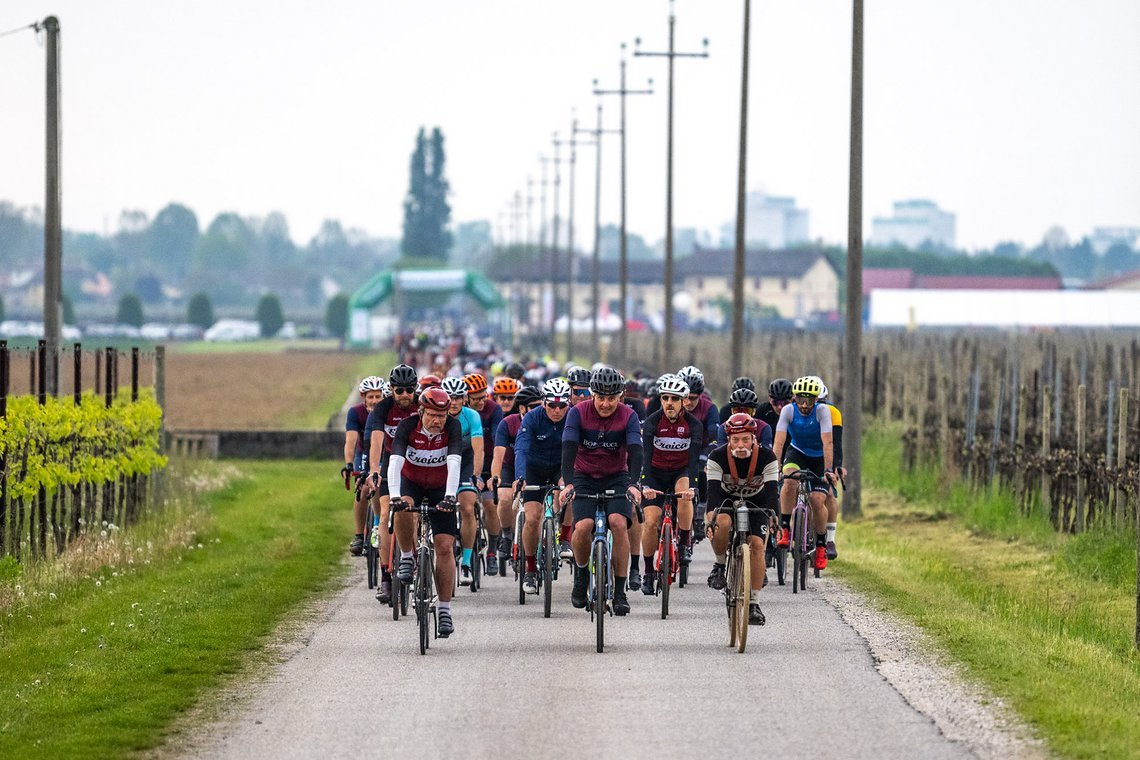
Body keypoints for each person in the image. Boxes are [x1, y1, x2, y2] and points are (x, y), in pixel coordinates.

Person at [560, 367, 643, 615]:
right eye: (601, 398)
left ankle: (619, 591)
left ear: (620, 397)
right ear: (592, 395)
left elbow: (636, 451)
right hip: (583, 476)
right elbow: (568, 448)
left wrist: (633, 484)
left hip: (617, 477)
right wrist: (569, 483)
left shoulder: (628, 415)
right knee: (583, 526)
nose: (606, 404)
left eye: (612, 399)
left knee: (618, 523)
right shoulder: (577, 413)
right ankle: (581, 576)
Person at [386, 386, 463, 638]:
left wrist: (451, 496)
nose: (436, 420)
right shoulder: (407, 427)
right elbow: (395, 462)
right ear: (421, 411)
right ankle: (407, 555)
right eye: (431, 415)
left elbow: (454, 463)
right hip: (412, 483)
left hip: (441, 486)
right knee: (404, 506)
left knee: (443, 546)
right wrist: (395, 496)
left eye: (441, 416)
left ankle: (444, 610)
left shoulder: (452, 427)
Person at [704, 413, 779, 625]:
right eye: (735, 440)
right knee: (723, 523)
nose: (740, 445)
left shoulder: (768, 457)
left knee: (756, 545)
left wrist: (775, 517)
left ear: (754, 438)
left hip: (758, 501)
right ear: (728, 440)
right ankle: (719, 565)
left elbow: (773, 493)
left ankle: (754, 603)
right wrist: (712, 521)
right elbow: (713, 495)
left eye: (746, 439)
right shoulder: (716, 457)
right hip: (726, 500)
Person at [638, 375, 702, 595]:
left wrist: (692, 487)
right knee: (650, 522)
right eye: (665, 398)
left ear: (684, 401)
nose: (669, 403)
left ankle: (684, 544)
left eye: (675, 399)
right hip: (655, 473)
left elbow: (693, 461)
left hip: (680, 471)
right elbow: (645, 458)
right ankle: (647, 572)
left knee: (684, 495)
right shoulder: (653, 422)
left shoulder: (693, 424)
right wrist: (644, 485)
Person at [364, 364, 421, 604]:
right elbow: (376, 441)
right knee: (387, 515)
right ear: (391, 390)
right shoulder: (383, 408)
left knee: (415, 515)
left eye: (409, 390)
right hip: (391, 465)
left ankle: (417, 557)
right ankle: (386, 577)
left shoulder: (423, 405)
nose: (405, 395)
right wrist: (374, 471)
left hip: (419, 464)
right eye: (399, 390)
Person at [512, 378, 572, 594]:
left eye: (562, 406)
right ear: (543, 403)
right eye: (552, 405)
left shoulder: (572, 417)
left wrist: (571, 479)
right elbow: (521, 448)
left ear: (568, 404)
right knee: (532, 518)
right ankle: (530, 569)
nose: (557, 410)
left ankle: (565, 538)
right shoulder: (532, 417)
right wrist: (520, 477)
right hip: (534, 468)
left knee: (569, 492)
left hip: (560, 467)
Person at [771, 376, 837, 572]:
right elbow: (779, 443)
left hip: (818, 457)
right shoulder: (788, 411)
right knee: (789, 481)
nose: (805, 405)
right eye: (800, 399)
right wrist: (775, 469)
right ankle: (785, 527)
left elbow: (828, 443)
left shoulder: (823, 412)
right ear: (794, 398)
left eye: (809, 400)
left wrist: (827, 470)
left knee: (817, 500)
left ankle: (820, 545)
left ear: (816, 400)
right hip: (797, 452)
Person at [489, 384, 544, 571]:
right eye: (534, 406)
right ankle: (505, 534)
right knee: (504, 498)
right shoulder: (508, 423)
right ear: (522, 408)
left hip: (534, 468)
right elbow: (498, 453)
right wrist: (495, 475)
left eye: (541, 405)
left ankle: (538, 548)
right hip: (509, 466)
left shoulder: (544, 421)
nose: (539, 410)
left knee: (536, 514)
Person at [440, 376, 485, 585]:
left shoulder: (472, 416)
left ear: (464, 398)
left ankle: (466, 562)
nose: (454, 401)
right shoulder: (436, 416)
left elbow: (478, 449)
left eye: (458, 397)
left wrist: (476, 476)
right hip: (441, 462)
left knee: (467, 506)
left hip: (465, 462)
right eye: (450, 397)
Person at [467, 372, 505, 576]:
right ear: (466, 397)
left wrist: (493, 473)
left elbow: (499, 438)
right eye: (477, 398)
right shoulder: (459, 411)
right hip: (467, 460)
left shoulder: (494, 409)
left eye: (484, 396)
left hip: (489, 461)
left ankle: (492, 549)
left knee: (491, 504)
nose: (482, 401)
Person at [344, 376, 385, 556]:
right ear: (364, 397)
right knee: (362, 490)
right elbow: (351, 440)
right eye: (371, 397)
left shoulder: (388, 410)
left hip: (386, 453)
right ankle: (359, 535)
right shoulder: (355, 413)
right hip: (364, 452)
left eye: (378, 397)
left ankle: (380, 525)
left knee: (383, 488)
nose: (375, 401)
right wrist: (349, 464)